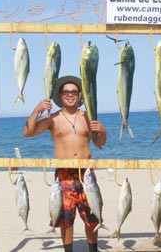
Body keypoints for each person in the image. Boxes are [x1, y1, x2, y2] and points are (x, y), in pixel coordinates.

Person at [23, 75, 106, 252]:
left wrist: (103, 131)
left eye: (74, 92)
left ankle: (93, 249)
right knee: (65, 219)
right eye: (66, 92)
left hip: (86, 173)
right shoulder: (53, 118)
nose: (70, 95)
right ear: (60, 96)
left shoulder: (87, 117)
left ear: (80, 96)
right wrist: (37, 110)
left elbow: (99, 144)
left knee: (92, 216)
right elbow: (28, 132)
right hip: (64, 174)